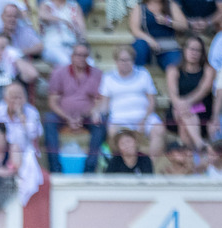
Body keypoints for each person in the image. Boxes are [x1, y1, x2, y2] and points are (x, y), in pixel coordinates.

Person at [45, 42, 107, 173]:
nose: (81, 58)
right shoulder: (59, 73)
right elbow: (52, 102)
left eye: (84, 55)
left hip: (87, 115)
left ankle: (90, 168)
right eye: (78, 55)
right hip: (63, 115)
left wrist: (89, 114)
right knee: (49, 119)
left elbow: (100, 100)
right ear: (71, 56)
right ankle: (55, 168)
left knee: (101, 121)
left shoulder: (97, 74)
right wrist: (68, 118)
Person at [100, 45, 167, 156]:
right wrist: (98, 113)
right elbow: (104, 104)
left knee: (159, 130)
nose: (125, 63)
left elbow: (152, 101)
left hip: (144, 116)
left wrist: (144, 119)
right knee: (112, 133)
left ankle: (149, 166)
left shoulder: (143, 73)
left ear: (133, 60)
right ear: (116, 61)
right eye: (122, 60)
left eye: (128, 60)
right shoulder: (108, 77)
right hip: (119, 118)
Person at [166, 35, 214, 151]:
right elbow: (173, 94)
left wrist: (186, 103)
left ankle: (192, 160)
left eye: (198, 50)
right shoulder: (173, 69)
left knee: (184, 120)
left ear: (202, 53)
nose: (194, 53)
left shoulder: (208, 69)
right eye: (191, 49)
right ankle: (199, 144)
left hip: (202, 109)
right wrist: (180, 105)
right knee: (184, 114)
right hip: (178, 109)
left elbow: (203, 90)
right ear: (184, 50)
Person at [130, 0, 188, 71]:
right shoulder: (140, 7)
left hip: (168, 47)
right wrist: (149, 40)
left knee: (175, 65)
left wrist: (167, 21)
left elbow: (184, 26)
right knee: (139, 45)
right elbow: (135, 29)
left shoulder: (171, 5)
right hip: (148, 46)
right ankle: (137, 75)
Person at [38, 0, 86, 68]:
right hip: (51, 46)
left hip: (71, 45)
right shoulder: (46, 4)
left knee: (89, 63)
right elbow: (43, 15)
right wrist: (63, 21)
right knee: (66, 62)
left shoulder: (74, 5)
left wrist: (81, 41)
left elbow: (81, 28)